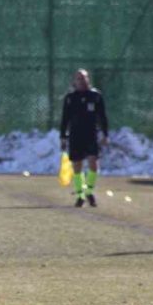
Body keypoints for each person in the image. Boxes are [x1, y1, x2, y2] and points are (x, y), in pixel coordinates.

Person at [59, 68, 108, 208]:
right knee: (77, 165)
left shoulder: (96, 96)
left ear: (88, 79)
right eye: (79, 78)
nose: (82, 80)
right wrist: (63, 137)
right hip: (75, 135)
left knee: (93, 163)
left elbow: (102, 117)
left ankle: (89, 191)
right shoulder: (70, 98)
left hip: (91, 134)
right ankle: (80, 195)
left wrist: (105, 134)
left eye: (84, 78)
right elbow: (65, 119)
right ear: (75, 81)